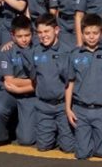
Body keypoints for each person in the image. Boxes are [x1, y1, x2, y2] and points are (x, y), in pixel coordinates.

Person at [65, 13, 102, 160]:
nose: (91, 37)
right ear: (81, 34)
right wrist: (68, 108)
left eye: (95, 33)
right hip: (81, 110)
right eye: (87, 33)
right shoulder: (75, 54)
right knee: (82, 154)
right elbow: (70, 82)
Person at [27, 14, 74, 153]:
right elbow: (34, 78)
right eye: (40, 32)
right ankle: (53, 132)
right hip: (44, 107)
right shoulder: (35, 51)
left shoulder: (67, 51)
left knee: (68, 148)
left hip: (62, 106)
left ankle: (63, 134)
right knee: (43, 147)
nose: (43, 36)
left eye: (47, 31)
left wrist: (68, 107)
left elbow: (72, 82)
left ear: (56, 30)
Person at [1, 16, 38, 145]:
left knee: (26, 140)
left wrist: (21, 88)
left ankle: (25, 123)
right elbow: (9, 81)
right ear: (13, 36)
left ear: (32, 33)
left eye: (27, 35)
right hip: (12, 92)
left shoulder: (38, 48)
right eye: (20, 36)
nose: (24, 39)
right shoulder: (7, 50)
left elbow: (43, 81)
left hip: (31, 94)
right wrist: (35, 81)